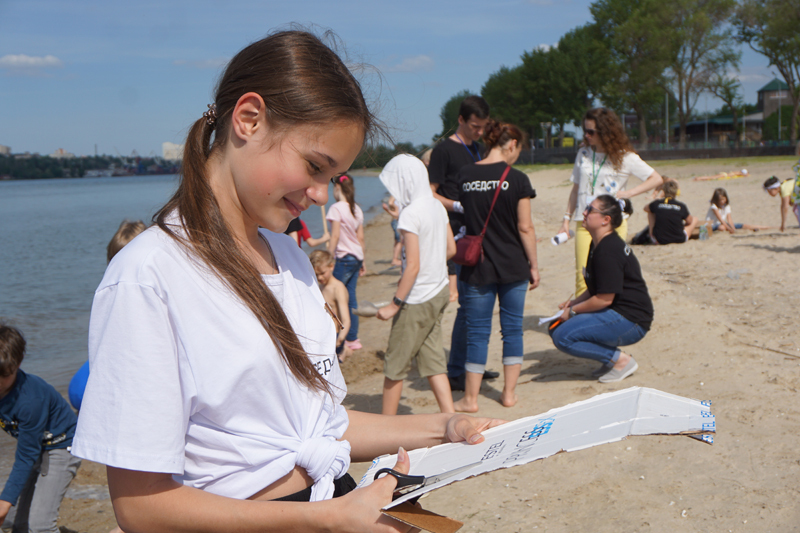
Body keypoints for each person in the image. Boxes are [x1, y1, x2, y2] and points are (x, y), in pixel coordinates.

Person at [71, 30, 502, 533]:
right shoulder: (148, 276)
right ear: (248, 119)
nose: (320, 194)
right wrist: (327, 519)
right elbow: (141, 509)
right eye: (315, 167)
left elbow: (320, 426)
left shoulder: (290, 258)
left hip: (330, 500)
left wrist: (444, 427)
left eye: (332, 176)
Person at [452, 120, 540, 413]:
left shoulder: (466, 175)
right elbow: (525, 227)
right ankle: (509, 394)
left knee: (477, 332)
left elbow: (465, 216)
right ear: (512, 144)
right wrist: (534, 266)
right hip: (513, 264)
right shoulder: (518, 179)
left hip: (477, 266)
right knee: (512, 330)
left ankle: (471, 399)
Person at [375, 155, 456, 416]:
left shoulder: (410, 214)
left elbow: (412, 267)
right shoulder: (436, 205)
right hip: (439, 290)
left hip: (417, 298)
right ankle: (450, 416)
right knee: (433, 359)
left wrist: (394, 304)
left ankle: (386, 427)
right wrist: (432, 260)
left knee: (395, 366)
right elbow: (451, 249)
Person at [427, 95, 499, 389]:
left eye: (483, 127)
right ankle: (458, 370)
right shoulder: (444, 150)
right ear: (461, 120)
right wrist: (456, 205)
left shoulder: (479, 149)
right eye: (474, 126)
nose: (479, 132)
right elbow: (430, 193)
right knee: (469, 303)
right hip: (457, 235)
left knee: (477, 304)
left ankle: (471, 367)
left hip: (481, 231)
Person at [558, 108, 663, 295]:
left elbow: (656, 179)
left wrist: (628, 193)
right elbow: (575, 190)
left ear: (606, 132)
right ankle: (582, 311)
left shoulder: (625, 157)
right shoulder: (583, 153)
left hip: (612, 224)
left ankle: (607, 310)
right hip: (585, 222)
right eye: (585, 131)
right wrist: (566, 220)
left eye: (591, 132)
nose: (587, 135)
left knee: (608, 274)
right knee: (583, 276)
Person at [551, 195, 653, 383]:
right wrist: (572, 303)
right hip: (616, 311)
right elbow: (595, 288)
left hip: (632, 320)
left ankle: (621, 361)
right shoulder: (597, 243)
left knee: (562, 336)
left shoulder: (608, 249)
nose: (584, 213)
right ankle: (610, 360)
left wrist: (572, 311)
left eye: (590, 210)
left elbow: (604, 299)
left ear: (606, 220)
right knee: (555, 326)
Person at [0, 324, 81, 533]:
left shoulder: (30, 400)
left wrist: (5, 501)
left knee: (40, 526)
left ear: (18, 363)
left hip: (62, 445)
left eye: (4, 375)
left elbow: (26, 455)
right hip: (35, 445)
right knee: (14, 524)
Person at [69, 220, 148, 412]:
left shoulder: (148, 292)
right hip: (109, 361)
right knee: (81, 393)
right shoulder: (108, 291)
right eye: (114, 261)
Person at [327, 174, 365, 351]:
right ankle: (352, 339)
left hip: (343, 258)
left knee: (334, 297)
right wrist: (363, 261)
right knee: (350, 298)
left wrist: (329, 256)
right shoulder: (356, 209)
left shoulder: (336, 208)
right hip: (356, 256)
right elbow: (360, 238)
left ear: (337, 188)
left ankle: (336, 338)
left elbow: (334, 235)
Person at [309, 249, 352, 363]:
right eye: (316, 275)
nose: (320, 278)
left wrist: (340, 339)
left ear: (331, 266)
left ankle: (345, 350)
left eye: (322, 273)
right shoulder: (320, 287)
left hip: (336, 336)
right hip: (325, 335)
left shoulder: (337, 288)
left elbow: (346, 320)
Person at [644, 180, 701, 244]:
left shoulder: (657, 203)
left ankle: (651, 234)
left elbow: (645, 208)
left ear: (664, 191)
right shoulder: (681, 206)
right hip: (679, 239)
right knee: (695, 219)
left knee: (650, 211)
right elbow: (689, 221)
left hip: (659, 240)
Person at [706, 188, 770, 233]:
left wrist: (732, 228)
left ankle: (764, 227)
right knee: (722, 227)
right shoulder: (714, 206)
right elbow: (721, 220)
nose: (722, 201)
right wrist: (729, 228)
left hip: (722, 224)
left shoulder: (727, 206)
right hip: (712, 225)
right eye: (720, 200)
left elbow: (729, 218)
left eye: (723, 199)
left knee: (742, 225)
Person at [381, 197, 403, 268]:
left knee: (397, 241)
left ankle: (396, 258)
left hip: (395, 221)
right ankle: (395, 259)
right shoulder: (396, 197)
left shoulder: (397, 198)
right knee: (400, 241)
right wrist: (393, 207)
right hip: (396, 221)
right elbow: (390, 202)